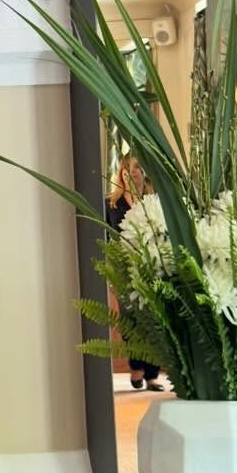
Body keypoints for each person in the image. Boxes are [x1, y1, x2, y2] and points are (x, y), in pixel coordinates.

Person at [106, 153, 166, 391]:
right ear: (121, 174)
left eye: (137, 168)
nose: (132, 172)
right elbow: (105, 237)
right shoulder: (111, 203)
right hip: (124, 269)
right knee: (130, 321)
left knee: (153, 320)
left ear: (144, 173)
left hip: (152, 268)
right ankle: (136, 368)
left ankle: (152, 375)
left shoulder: (155, 201)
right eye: (127, 169)